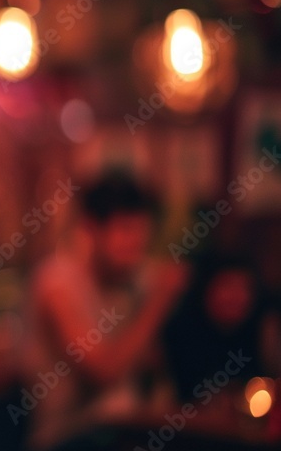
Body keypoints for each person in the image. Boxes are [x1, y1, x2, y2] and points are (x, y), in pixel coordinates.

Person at [23, 172, 188, 451]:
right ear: (91, 229)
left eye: (140, 233)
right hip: (70, 437)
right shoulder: (56, 284)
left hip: (130, 430)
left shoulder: (132, 280)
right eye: (125, 231)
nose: (134, 246)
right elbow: (102, 372)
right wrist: (158, 303)